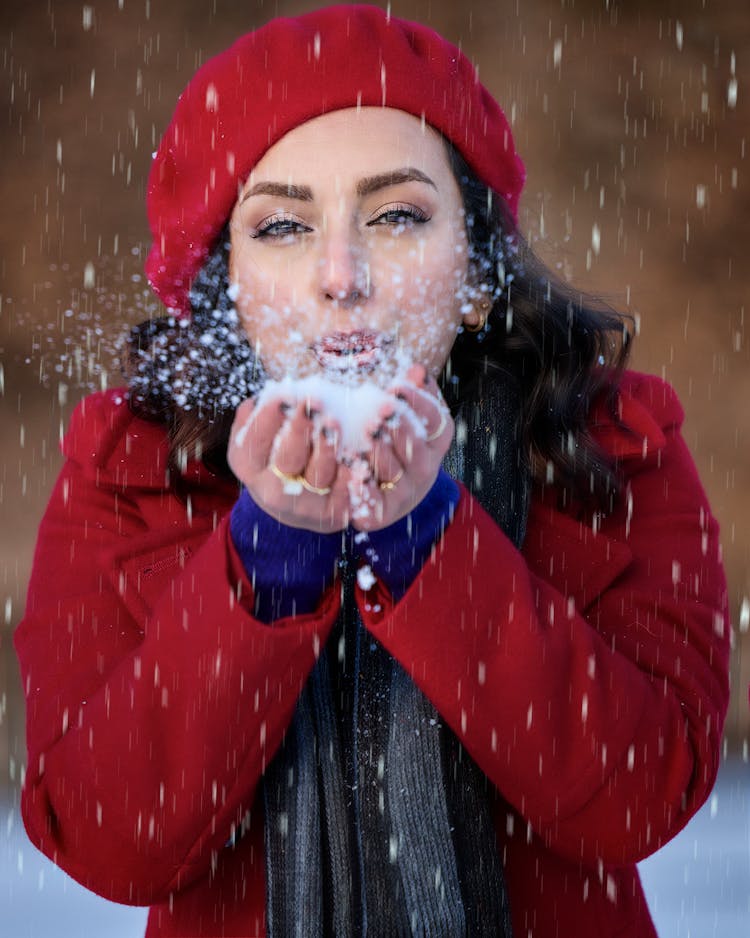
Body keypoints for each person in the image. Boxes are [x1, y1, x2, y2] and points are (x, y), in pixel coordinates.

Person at [15, 5, 730, 937]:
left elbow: (641, 801)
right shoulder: (129, 472)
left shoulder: (613, 448)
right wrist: (265, 562)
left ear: (476, 275)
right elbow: (109, 842)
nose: (341, 275)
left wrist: (431, 544)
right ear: (223, 291)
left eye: (396, 215)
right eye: (281, 228)